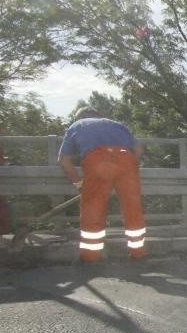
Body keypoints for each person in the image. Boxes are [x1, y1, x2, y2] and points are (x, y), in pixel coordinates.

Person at [58, 106, 147, 263]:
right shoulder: (117, 125)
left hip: (97, 162)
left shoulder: (77, 125)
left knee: (93, 210)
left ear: (80, 117)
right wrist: (127, 167)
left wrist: (79, 183)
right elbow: (138, 149)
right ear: (98, 115)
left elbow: (63, 161)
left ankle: (90, 257)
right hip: (126, 159)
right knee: (132, 207)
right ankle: (138, 253)